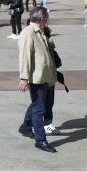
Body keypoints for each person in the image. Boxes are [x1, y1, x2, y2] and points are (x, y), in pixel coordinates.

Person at [17, 8, 57, 153]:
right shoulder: (28, 33)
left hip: (47, 75)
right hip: (37, 77)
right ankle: (40, 140)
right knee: (39, 108)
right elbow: (25, 57)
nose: (47, 20)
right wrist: (24, 78)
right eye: (46, 18)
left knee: (38, 104)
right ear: (41, 19)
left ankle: (25, 127)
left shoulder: (41, 31)